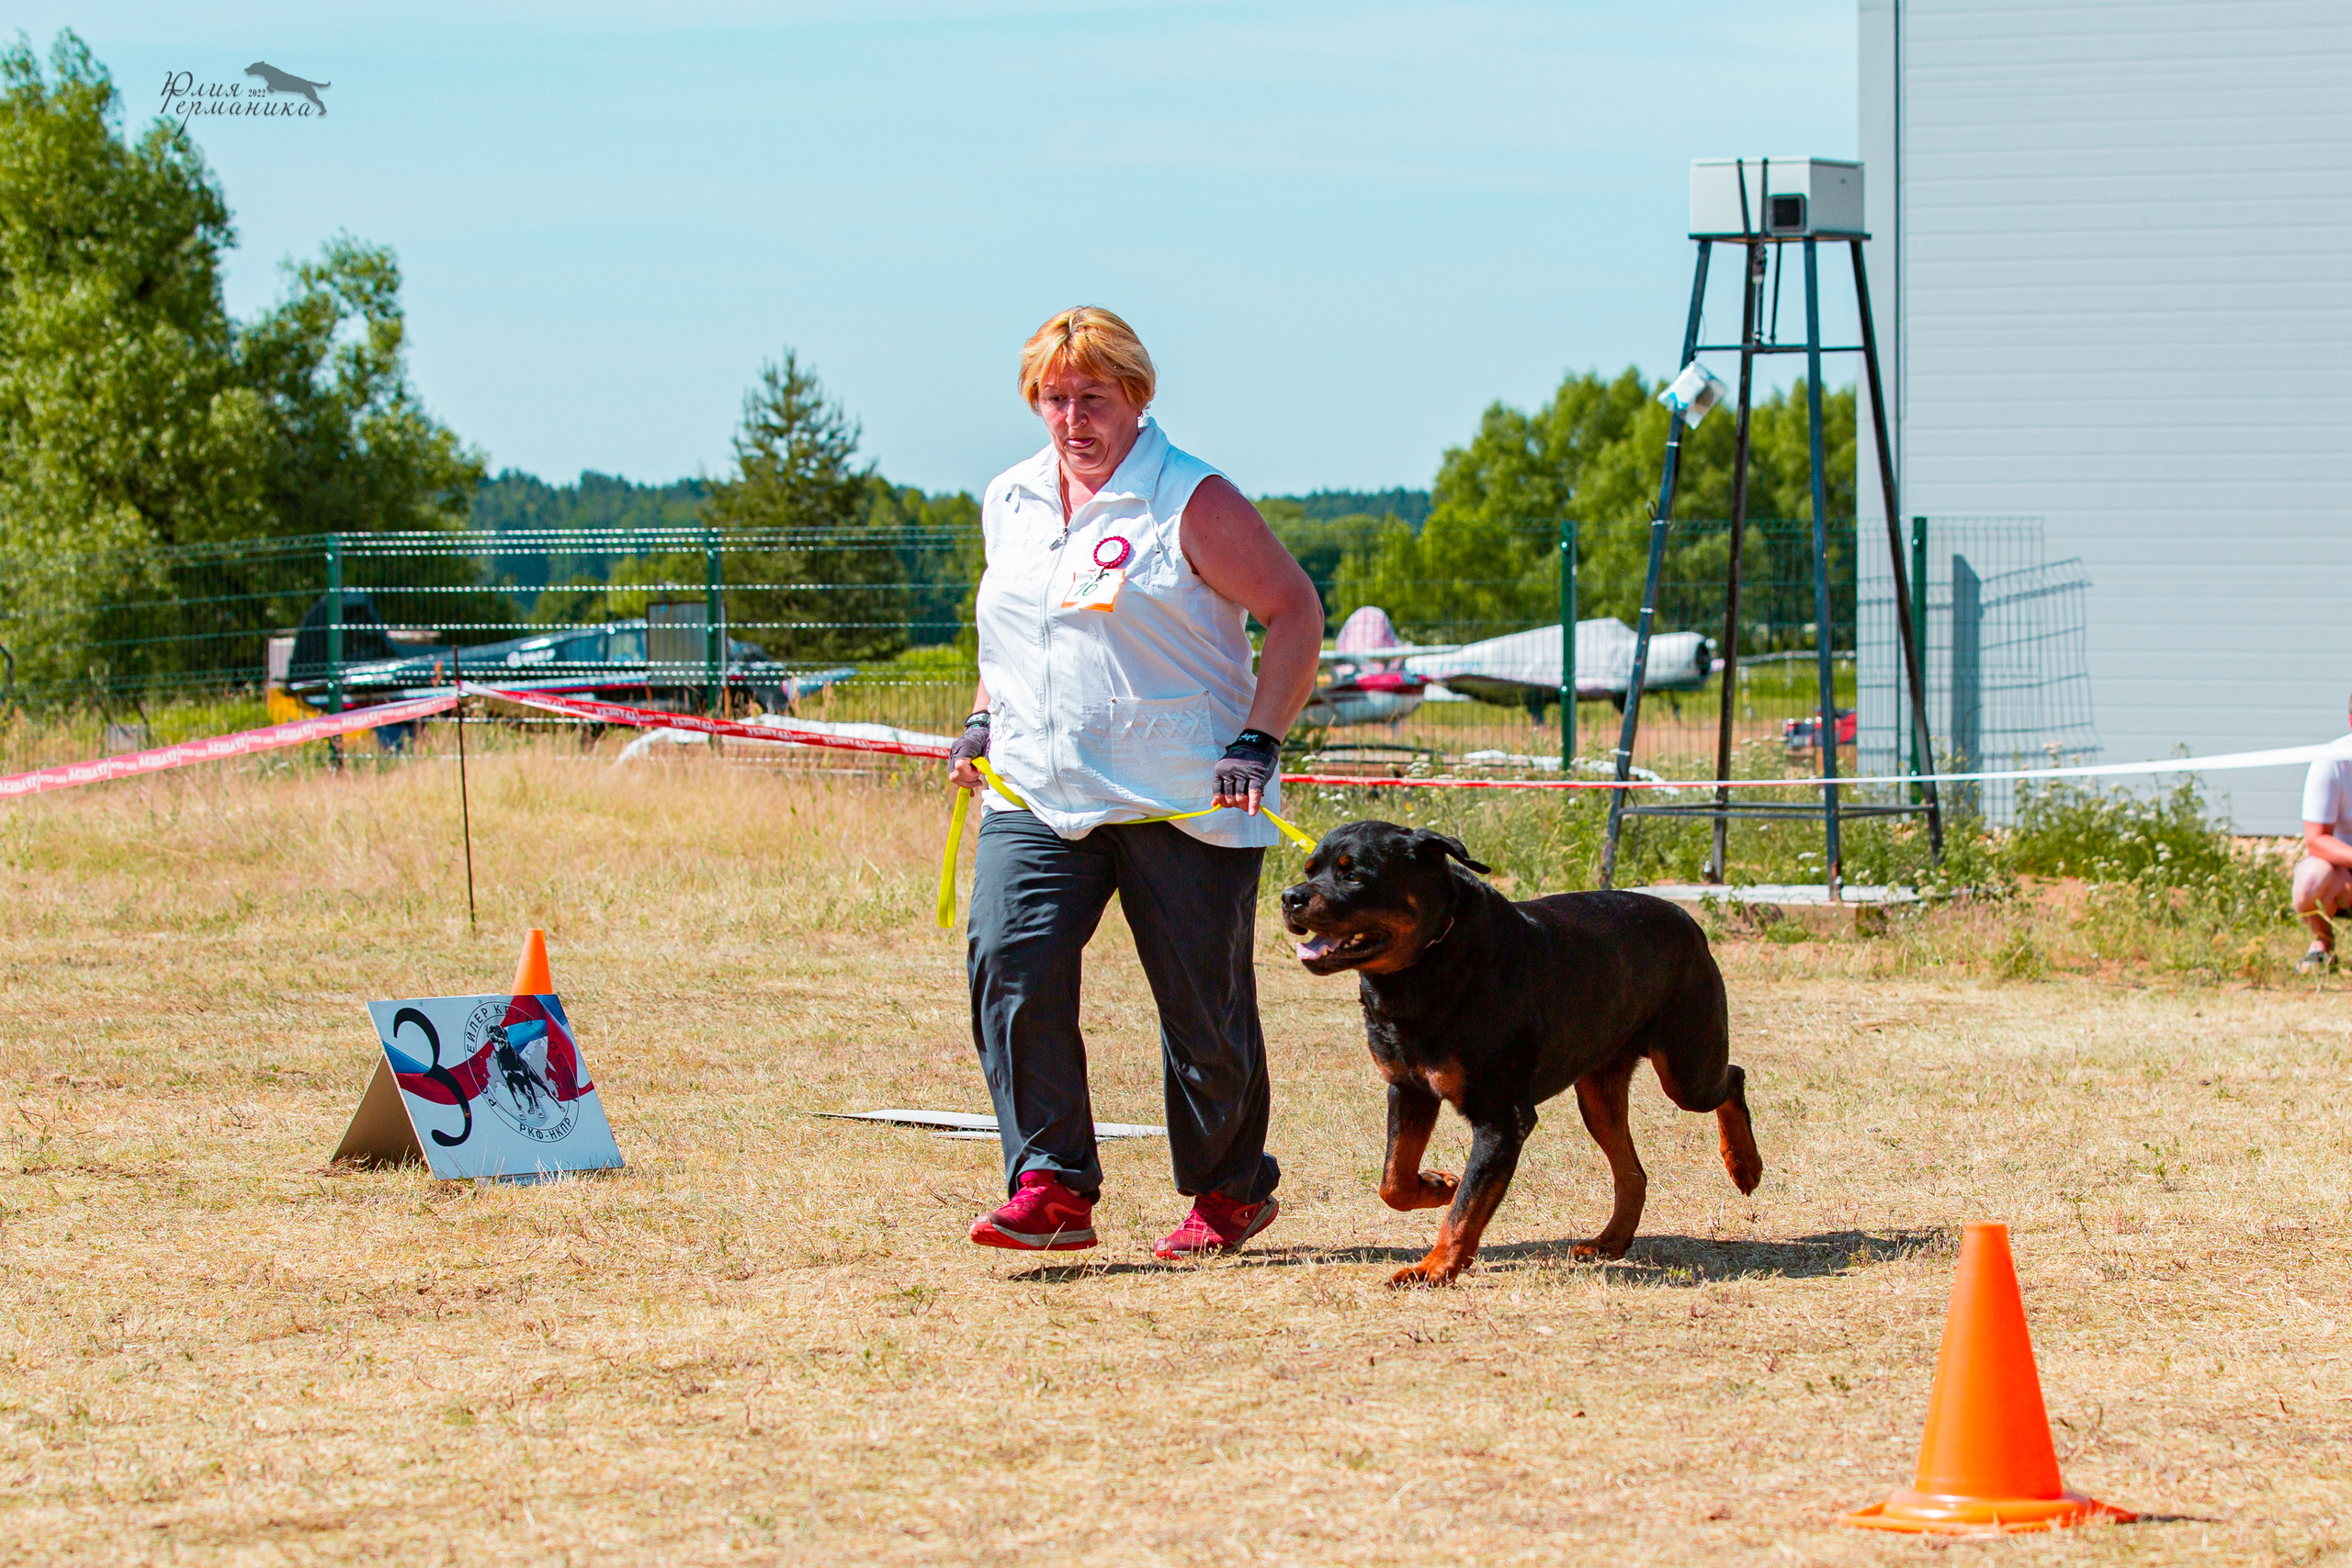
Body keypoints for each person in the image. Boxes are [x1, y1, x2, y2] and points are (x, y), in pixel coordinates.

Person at [947, 306, 1323, 1258]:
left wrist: (1257, 739)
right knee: (1011, 965)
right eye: (1054, 399)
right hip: (1037, 788)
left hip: (1183, 796)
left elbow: (1294, 612)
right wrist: (981, 720)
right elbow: (1012, 632)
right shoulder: (1012, 498)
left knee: (1203, 1011)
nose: (1072, 419)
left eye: (1093, 399)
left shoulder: (1190, 499)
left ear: (1136, 399)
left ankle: (1229, 1188)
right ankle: (1051, 1185)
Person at [2293, 693, 2352, 973]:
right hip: (2346, 871)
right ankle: (2322, 946)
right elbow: (2316, 841)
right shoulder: (2333, 761)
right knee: (2309, 880)